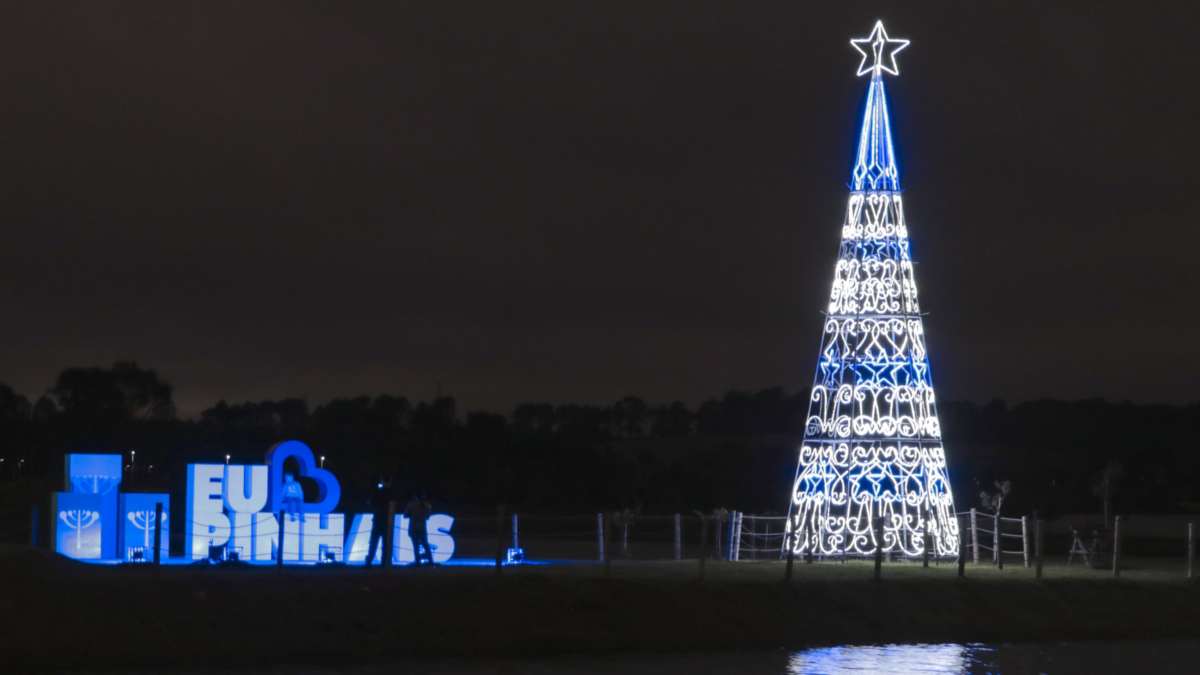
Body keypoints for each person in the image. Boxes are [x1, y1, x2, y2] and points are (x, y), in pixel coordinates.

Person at [365, 480, 391, 567]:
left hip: (378, 522)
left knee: (374, 543)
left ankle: (369, 561)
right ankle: (383, 562)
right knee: (384, 544)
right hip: (385, 522)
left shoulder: (377, 495)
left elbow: (369, 502)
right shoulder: (388, 496)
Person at [404, 492, 434, 566]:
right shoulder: (428, 505)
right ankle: (431, 561)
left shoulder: (411, 505)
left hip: (413, 527)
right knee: (425, 544)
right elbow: (427, 517)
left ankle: (418, 562)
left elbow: (405, 515)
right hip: (422, 527)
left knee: (415, 546)